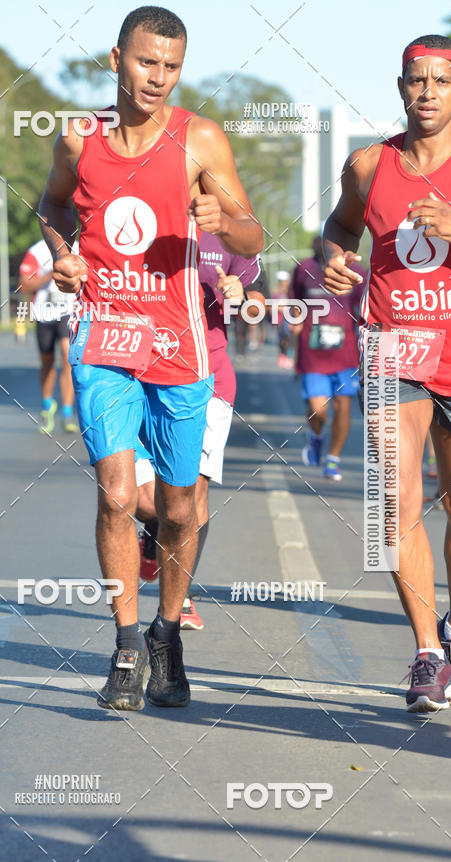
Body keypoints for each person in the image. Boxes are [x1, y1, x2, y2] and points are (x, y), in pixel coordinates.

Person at [38, 6, 262, 711]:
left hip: (180, 345)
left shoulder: (200, 139)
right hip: (105, 336)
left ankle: (168, 632)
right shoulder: (79, 139)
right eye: (145, 62)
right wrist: (63, 255)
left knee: (178, 506)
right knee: (113, 494)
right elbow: (52, 207)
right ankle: (127, 643)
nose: (157, 77)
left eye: (170, 66)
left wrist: (226, 222)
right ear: (116, 60)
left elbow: (253, 236)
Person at [324, 34, 451, 711]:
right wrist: (334, 258)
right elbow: (340, 228)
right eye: (417, 80)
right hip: (393, 350)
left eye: (441, 80)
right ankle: (427, 653)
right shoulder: (369, 165)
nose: (428, 92)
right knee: (395, 502)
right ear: (401, 87)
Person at [136, 233, 260, 630]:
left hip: (211, 375)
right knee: (147, 501)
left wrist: (242, 296)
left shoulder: (228, 230)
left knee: (193, 495)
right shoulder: (147, 218)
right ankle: (155, 529)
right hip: (144, 370)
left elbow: (257, 305)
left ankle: (179, 598)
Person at [292, 235, 365, 481]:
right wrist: (294, 320)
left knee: (343, 406)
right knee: (318, 410)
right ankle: (316, 435)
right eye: (323, 242)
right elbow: (295, 301)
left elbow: (366, 308)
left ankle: (333, 459)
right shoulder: (304, 268)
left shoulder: (356, 272)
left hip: (346, 354)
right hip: (313, 354)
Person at [19, 238, 79, 433]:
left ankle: (67, 411)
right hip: (43, 313)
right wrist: (50, 275)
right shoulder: (36, 251)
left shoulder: (77, 248)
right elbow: (24, 284)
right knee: (47, 362)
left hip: (68, 312)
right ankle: (47, 405)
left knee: (68, 358)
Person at [272, 270, 294, 369]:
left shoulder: (290, 292)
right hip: (279, 319)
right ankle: (282, 355)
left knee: (289, 337)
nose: (283, 283)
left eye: (284, 281)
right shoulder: (276, 293)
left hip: (289, 318)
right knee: (281, 339)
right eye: (281, 281)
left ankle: (289, 357)